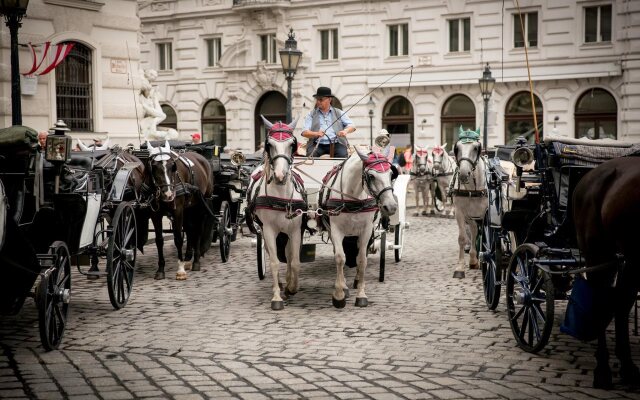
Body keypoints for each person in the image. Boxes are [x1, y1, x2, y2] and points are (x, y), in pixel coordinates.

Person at [301, 87, 355, 157]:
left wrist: (345, 131)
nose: (318, 102)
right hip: (316, 144)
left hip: (336, 143)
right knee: (311, 156)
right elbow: (304, 132)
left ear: (329, 99)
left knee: (342, 156)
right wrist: (316, 133)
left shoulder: (339, 112)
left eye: (321, 99)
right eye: (317, 99)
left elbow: (352, 126)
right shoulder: (311, 114)